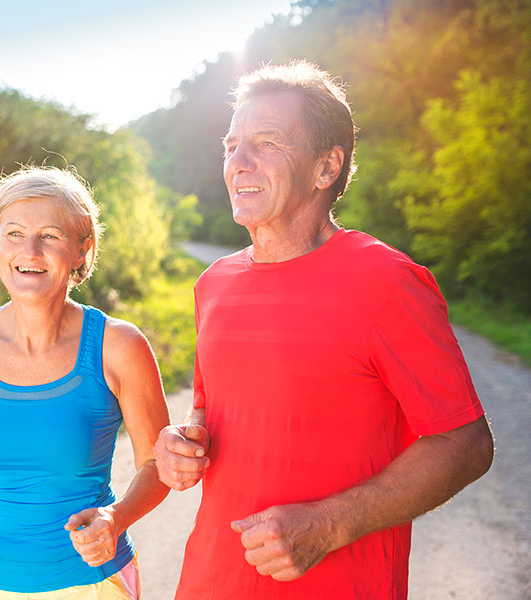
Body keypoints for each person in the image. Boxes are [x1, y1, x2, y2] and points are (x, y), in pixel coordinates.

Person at [154, 61, 494, 599]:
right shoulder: (213, 283)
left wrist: (331, 524)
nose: (238, 162)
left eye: (267, 143)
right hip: (209, 581)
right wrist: (180, 443)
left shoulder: (388, 282)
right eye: (231, 144)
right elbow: (209, 411)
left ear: (325, 167)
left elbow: (466, 442)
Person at [0, 166, 170, 599]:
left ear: (81, 249)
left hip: (92, 584)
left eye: (50, 236)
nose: (30, 250)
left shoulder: (118, 345)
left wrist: (117, 517)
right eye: (14, 233)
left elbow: (158, 463)